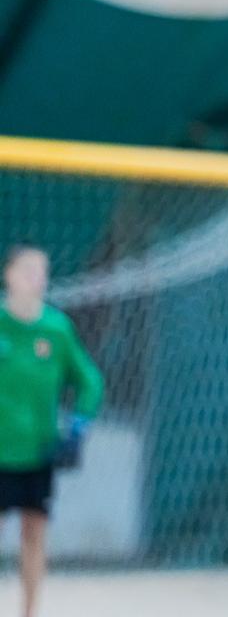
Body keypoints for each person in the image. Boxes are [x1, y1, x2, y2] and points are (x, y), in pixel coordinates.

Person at [0, 243, 104, 617]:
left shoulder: (56, 329)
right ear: (9, 275)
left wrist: (77, 428)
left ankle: (30, 612)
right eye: (28, 271)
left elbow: (90, 382)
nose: (37, 279)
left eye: (42, 272)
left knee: (34, 533)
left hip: (38, 450)